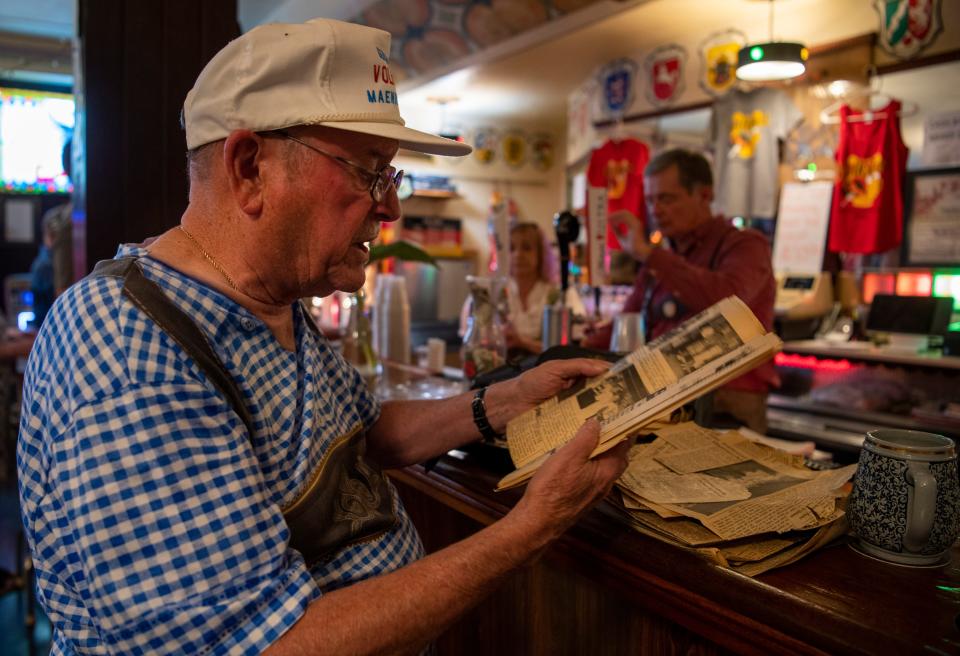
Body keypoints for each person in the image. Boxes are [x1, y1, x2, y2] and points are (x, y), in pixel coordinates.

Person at [17, 18, 630, 655]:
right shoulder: (131, 347)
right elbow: (261, 647)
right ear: (250, 167)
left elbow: (362, 433)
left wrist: (499, 403)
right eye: (369, 172)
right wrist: (530, 529)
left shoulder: (270, 300)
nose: (390, 208)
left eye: (391, 177)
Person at [583, 148, 777, 433]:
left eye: (666, 198)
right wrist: (557, 349)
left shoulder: (745, 245)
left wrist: (650, 255)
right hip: (665, 403)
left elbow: (730, 301)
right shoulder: (660, 259)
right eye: (650, 200)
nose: (656, 210)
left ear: (705, 195)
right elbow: (623, 326)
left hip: (726, 406)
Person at [489, 222, 586, 357]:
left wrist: (522, 342)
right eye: (511, 248)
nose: (518, 255)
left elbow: (573, 350)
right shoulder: (496, 292)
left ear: (541, 253)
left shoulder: (562, 293)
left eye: (526, 248)